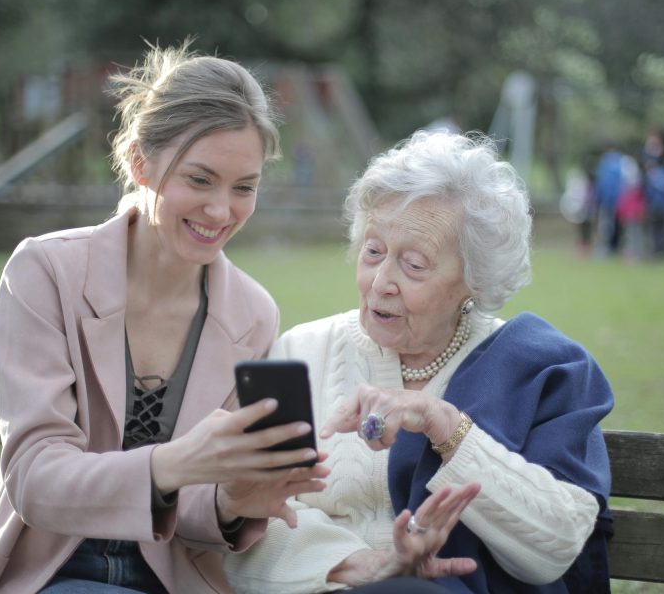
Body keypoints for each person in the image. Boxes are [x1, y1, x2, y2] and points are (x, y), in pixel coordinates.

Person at [0, 43, 329, 594]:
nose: (221, 211)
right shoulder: (45, 272)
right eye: (199, 180)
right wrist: (172, 463)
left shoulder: (252, 314)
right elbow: (34, 478)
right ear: (139, 162)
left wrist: (231, 499)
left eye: (243, 187)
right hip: (51, 573)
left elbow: (197, 508)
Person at [223, 130, 614, 593]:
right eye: (373, 252)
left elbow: (558, 544)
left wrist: (445, 426)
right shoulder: (303, 351)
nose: (381, 282)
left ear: (475, 280)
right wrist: (357, 563)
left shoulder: (542, 368)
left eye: (413, 265)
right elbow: (243, 519)